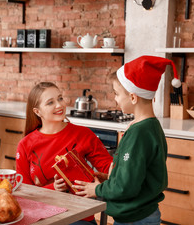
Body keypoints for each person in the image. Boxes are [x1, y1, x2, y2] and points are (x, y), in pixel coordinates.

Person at [72, 56, 182, 225]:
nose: (115, 98)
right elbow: (136, 174)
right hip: (143, 214)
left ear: (132, 97)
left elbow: (126, 187)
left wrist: (97, 189)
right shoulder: (150, 126)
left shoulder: (139, 133)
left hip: (135, 219)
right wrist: (110, 178)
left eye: (116, 94)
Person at [16, 82, 113, 225]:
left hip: (78, 217)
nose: (59, 105)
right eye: (50, 102)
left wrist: (101, 185)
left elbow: (111, 169)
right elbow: (24, 192)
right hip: (40, 217)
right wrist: (53, 188)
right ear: (37, 111)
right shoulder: (25, 144)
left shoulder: (83, 134)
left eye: (60, 98)